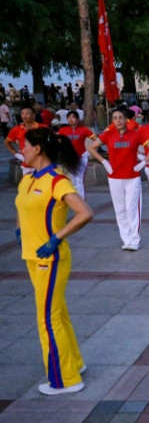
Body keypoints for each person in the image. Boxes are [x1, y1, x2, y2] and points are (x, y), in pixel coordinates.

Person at [15, 127, 94, 395]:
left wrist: (56, 238)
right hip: (32, 257)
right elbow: (22, 207)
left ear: (37, 149)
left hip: (50, 258)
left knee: (47, 320)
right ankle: (74, 363)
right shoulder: (28, 179)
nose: (21, 149)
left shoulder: (57, 180)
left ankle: (65, 380)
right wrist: (20, 230)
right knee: (57, 313)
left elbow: (84, 213)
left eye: (24, 145)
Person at [87, 107, 149, 251]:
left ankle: (135, 239)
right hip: (114, 177)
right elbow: (92, 147)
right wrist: (104, 162)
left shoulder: (135, 135)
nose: (118, 120)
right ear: (112, 121)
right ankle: (126, 239)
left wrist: (143, 162)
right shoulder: (108, 135)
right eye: (115, 118)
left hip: (132, 177)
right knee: (120, 210)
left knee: (132, 209)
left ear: (126, 119)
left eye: (120, 117)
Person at [57, 111, 97, 199]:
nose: (71, 119)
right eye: (69, 117)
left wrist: (89, 150)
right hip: (69, 158)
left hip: (81, 158)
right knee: (72, 180)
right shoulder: (63, 130)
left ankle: (81, 199)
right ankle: (75, 200)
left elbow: (97, 140)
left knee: (79, 180)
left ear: (78, 119)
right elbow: (57, 142)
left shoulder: (84, 129)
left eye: (73, 117)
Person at [5, 104, 48, 175]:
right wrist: (17, 155)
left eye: (27, 113)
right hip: (27, 166)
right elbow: (7, 142)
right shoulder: (16, 129)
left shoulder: (43, 128)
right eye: (22, 113)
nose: (24, 116)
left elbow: (53, 141)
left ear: (33, 115)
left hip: (42, 164)